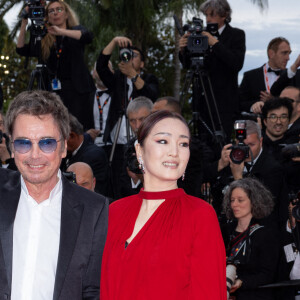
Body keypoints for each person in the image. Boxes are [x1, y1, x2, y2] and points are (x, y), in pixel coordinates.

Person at [100, 110, 226, 300]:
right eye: (163, 141)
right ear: (139, 150)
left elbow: (209, 292)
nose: (174, 152)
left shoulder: (200, 215)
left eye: (183, 144)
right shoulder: (115, 211)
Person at [0, 90, 108, 299]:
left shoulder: (93, 209)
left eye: (46, 142)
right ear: (12, 147)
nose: (34, 155)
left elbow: (93, 290)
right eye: (24, 143)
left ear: (64, 147)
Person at [16, 0, 95, 130]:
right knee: (57, 128)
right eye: (51, 11)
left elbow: (88, 36)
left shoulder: (75, 31)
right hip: (55, 92)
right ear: (47, 16)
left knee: (80, 129)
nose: (55, 13)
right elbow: (21, 49)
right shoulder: (45, 38)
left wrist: (61, 32)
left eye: (59, 9)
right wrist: (24, 22)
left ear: (66, 14)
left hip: (78, 91)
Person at [179, 0, 246, 139]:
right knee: (202, 145)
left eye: (212, 15)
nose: (208, 19)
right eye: (206, 15)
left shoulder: (236, 35)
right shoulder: (200, 35)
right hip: (202, 102)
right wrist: (183, 50)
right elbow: (188, 65)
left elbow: (236, 64)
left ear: (224, 15)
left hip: (225, 105)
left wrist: (214, 43)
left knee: (221, 143)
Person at [207, 120, 289, 225]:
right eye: (241, 145)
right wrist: (220, 164)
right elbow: (198, 179)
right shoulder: (232, 159)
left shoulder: (273, 169)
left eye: (251, 145)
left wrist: (238, 178)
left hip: (261, 231)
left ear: (261, 141)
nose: (245, 150)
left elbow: (262, 211)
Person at [222, 177, 279, 300]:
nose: (234, 204)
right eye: (232, 200)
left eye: (240, 200)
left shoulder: (265, 234)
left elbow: (267, 274)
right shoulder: (225, 231)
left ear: (254, 202)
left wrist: (242, 282)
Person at [239, 37, 291, 113]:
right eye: (284, 53)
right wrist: (254, 105)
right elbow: (239, 103)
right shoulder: (250, 76)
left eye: (289, 53)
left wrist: (274, 101)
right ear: (271, 53)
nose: (288, 58)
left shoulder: (292, 77)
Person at [61, 114, 109, 196]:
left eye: (61, 140)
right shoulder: (66, 153)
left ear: (72, 136)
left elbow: (97, 192)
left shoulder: (94, 155)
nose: (59, 144)